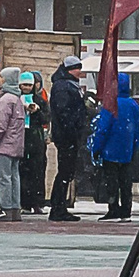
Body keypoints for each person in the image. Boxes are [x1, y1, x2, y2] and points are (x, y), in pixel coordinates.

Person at [89, 72, 139, 220]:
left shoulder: (110, 104)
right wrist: (135, 147)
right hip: (127, 149)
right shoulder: (133, 104)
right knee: (125, 181)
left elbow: (103, 128)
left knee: (111, 181)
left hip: (110, 149)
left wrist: (97, 149)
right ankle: (126, 210)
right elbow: (136, 129)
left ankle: (113, 208)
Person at [46, 56, 88, 221]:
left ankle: (58, 206)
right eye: (77, 68)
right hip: (67, 137)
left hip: (67, 136)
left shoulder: (65, 85)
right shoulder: (65, 87)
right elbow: (64, 113)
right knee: (65, 172)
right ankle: (58, 207)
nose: (80, 71)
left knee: (65, 172)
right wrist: (73, 130)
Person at [0, 65, 28, 220]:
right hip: (16, 145)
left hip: (4, 146)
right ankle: (15, 208)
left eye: (1, 77)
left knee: (4, 178)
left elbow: (0, 126)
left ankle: (6, 208)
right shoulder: (17, 99)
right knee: (14, 177)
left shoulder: (5, 100)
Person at [18, 73, 48, 213]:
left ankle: (36, 202)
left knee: (37, 171)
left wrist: (37, 111)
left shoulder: (40, 101)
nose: (27, 88)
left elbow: (45, 119)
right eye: (24, 85)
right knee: (22, 171)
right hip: (20, 137)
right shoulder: (16, 99)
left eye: (29, 85)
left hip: (35, 139)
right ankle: (23, 202)